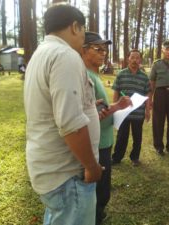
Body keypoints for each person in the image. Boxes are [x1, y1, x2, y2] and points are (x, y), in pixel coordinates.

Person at [24, 5, 103, 225]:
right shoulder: (65, 55)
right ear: (75, 27)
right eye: (84, 30)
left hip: (53, 169)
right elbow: (71, 124)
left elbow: (57, 106)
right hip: (68, 174)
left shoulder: (41, 53)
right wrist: (92, 167)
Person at [80, 31, 132, 225]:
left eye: (105, 49)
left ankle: (98, 215)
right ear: (83, 50)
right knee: (98, 191)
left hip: (105, 140)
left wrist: (116, 107)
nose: (104, 53)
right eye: (98, 49)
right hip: (97, 144)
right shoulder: (85, 76)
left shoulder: (94, 74)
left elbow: (98, 108)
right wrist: (118, 107)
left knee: (102, 189)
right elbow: (91, 115)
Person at [112, 49, 151, 166]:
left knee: (137, 136)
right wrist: (114, 107)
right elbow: (116, 92)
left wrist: (147, 110)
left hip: (138, 113)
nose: (134, 60)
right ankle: (117, 158)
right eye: (132, 57)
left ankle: (135, 158)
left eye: (137, 58)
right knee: (121, 136)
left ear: (140, 60)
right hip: (123, 112)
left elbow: (148, 94)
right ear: (128, 58)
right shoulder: (121, 74)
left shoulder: (144, 77)